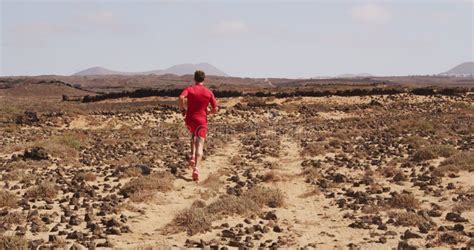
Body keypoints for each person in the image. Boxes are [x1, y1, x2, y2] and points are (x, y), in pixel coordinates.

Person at [178, 70, 218, 181]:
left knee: (192, 136)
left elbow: (181, 97)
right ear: (204, 79)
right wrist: (208, 112)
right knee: (200, 143)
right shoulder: (208, 92)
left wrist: (182, 109)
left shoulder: (189, 89)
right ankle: (196, 168)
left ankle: (192, 156)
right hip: (201, 121)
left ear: (194, 78)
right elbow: (215, 109)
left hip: (190, 120)